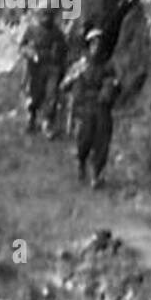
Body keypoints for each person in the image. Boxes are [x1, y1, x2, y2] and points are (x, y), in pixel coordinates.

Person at [59, 28, 121, 189]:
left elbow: (115, 86)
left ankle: (96, 174)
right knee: (84, 140)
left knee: (102, 142)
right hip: (84, 108)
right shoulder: (80, 66)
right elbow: (65, 85)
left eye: (99, 43)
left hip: (101, 108)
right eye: (93, 43)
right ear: (88, 46)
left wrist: (109, 91)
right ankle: (81, 162)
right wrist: (73, 82)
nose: (96, 47)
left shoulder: (108, 66)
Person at [19, 7, 68, 136]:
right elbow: (22, 47)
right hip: (35, 68)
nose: (46, 18)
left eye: (49, 16)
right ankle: (32, 118)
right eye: (44, 15)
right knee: (35, 95)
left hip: (52, 67)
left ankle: (47, 122)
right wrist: (31, 53)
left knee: (51, 94)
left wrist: (60, 61)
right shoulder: (32, 30)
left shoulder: (57, 32)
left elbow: (64, 51)